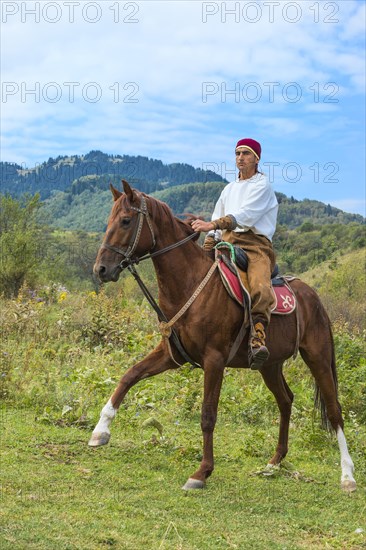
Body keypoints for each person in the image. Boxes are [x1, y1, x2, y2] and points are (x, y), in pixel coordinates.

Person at [191, 138, 278, 369]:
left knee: (259, 284)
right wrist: (208, 245)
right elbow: (216, 217)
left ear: (256, 159)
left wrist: (212, 225)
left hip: (255, 245)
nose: (240, 157)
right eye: (238, 153)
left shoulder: (263, 186)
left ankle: (258, 336)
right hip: (226, 242)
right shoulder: (228, 189)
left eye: (246, 154)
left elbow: (246, 215)